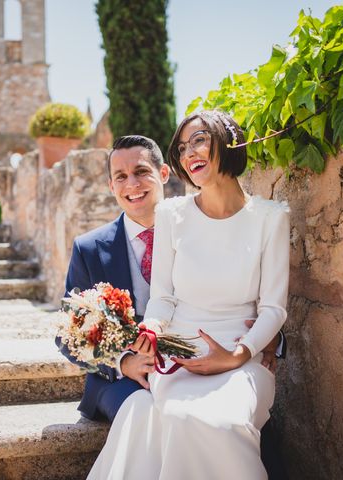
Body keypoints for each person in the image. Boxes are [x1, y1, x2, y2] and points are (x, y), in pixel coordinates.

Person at [58, 134, 287, 478]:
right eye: (120, 177)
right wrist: (124, 362)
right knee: (148, 414)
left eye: (141, 172)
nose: (131, 184)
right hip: (124, 381)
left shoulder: (202, 225)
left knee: (207, 420)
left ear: (165, 173)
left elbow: (241, 297)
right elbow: (68, 334)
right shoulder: (90, 248)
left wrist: (269, 341)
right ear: (110, 185)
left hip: (200, 362)